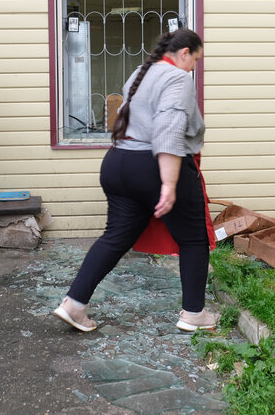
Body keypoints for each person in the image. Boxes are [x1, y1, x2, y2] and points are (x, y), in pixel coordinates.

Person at [53, 28, 219, 333]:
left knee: (115, 237)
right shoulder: (178, 77)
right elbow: (169, 128)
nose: (194, 67)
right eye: (195, 60)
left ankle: (74, 304)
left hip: (118, 162)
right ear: (184, 53)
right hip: (153, 164)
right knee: (193, 238)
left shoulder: (141, 73)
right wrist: (168, 184)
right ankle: (194, 314)